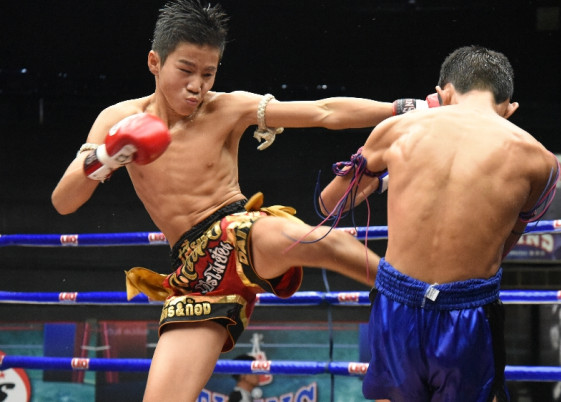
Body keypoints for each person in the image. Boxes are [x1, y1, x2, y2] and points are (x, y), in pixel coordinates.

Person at [50, 1, 434, 400]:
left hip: (237, 231)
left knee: (321, 241)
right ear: (154, 62)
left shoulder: (226, 108)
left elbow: (323, 111)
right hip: (195, 273)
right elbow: (64, 202)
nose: (197, 85)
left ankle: (425, 299)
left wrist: (406, 108)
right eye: (186, 70)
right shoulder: (118, 118)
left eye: (208, 73)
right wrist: (106, 157)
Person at [318, 45, 559, 401]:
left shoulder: (397, 129)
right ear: (510, 108)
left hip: (396, 307)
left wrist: (383, 178)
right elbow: (503, 245)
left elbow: (330, 204)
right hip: (469, 314)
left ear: (442, 93)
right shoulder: (540, 161)